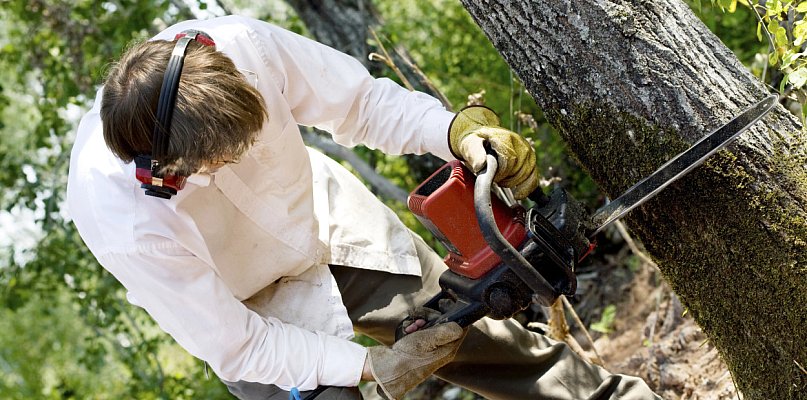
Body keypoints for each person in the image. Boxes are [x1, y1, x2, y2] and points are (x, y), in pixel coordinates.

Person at [67, 15, 661, 400]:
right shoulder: (124, 220)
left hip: (329, 228)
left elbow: (361, 104)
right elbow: (239, 343)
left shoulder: (247, 47)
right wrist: (372, 369)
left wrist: (453, 132)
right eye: (214, 166)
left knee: (494, 343)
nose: (232, 165)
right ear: (161, 169)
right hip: (250, 310)